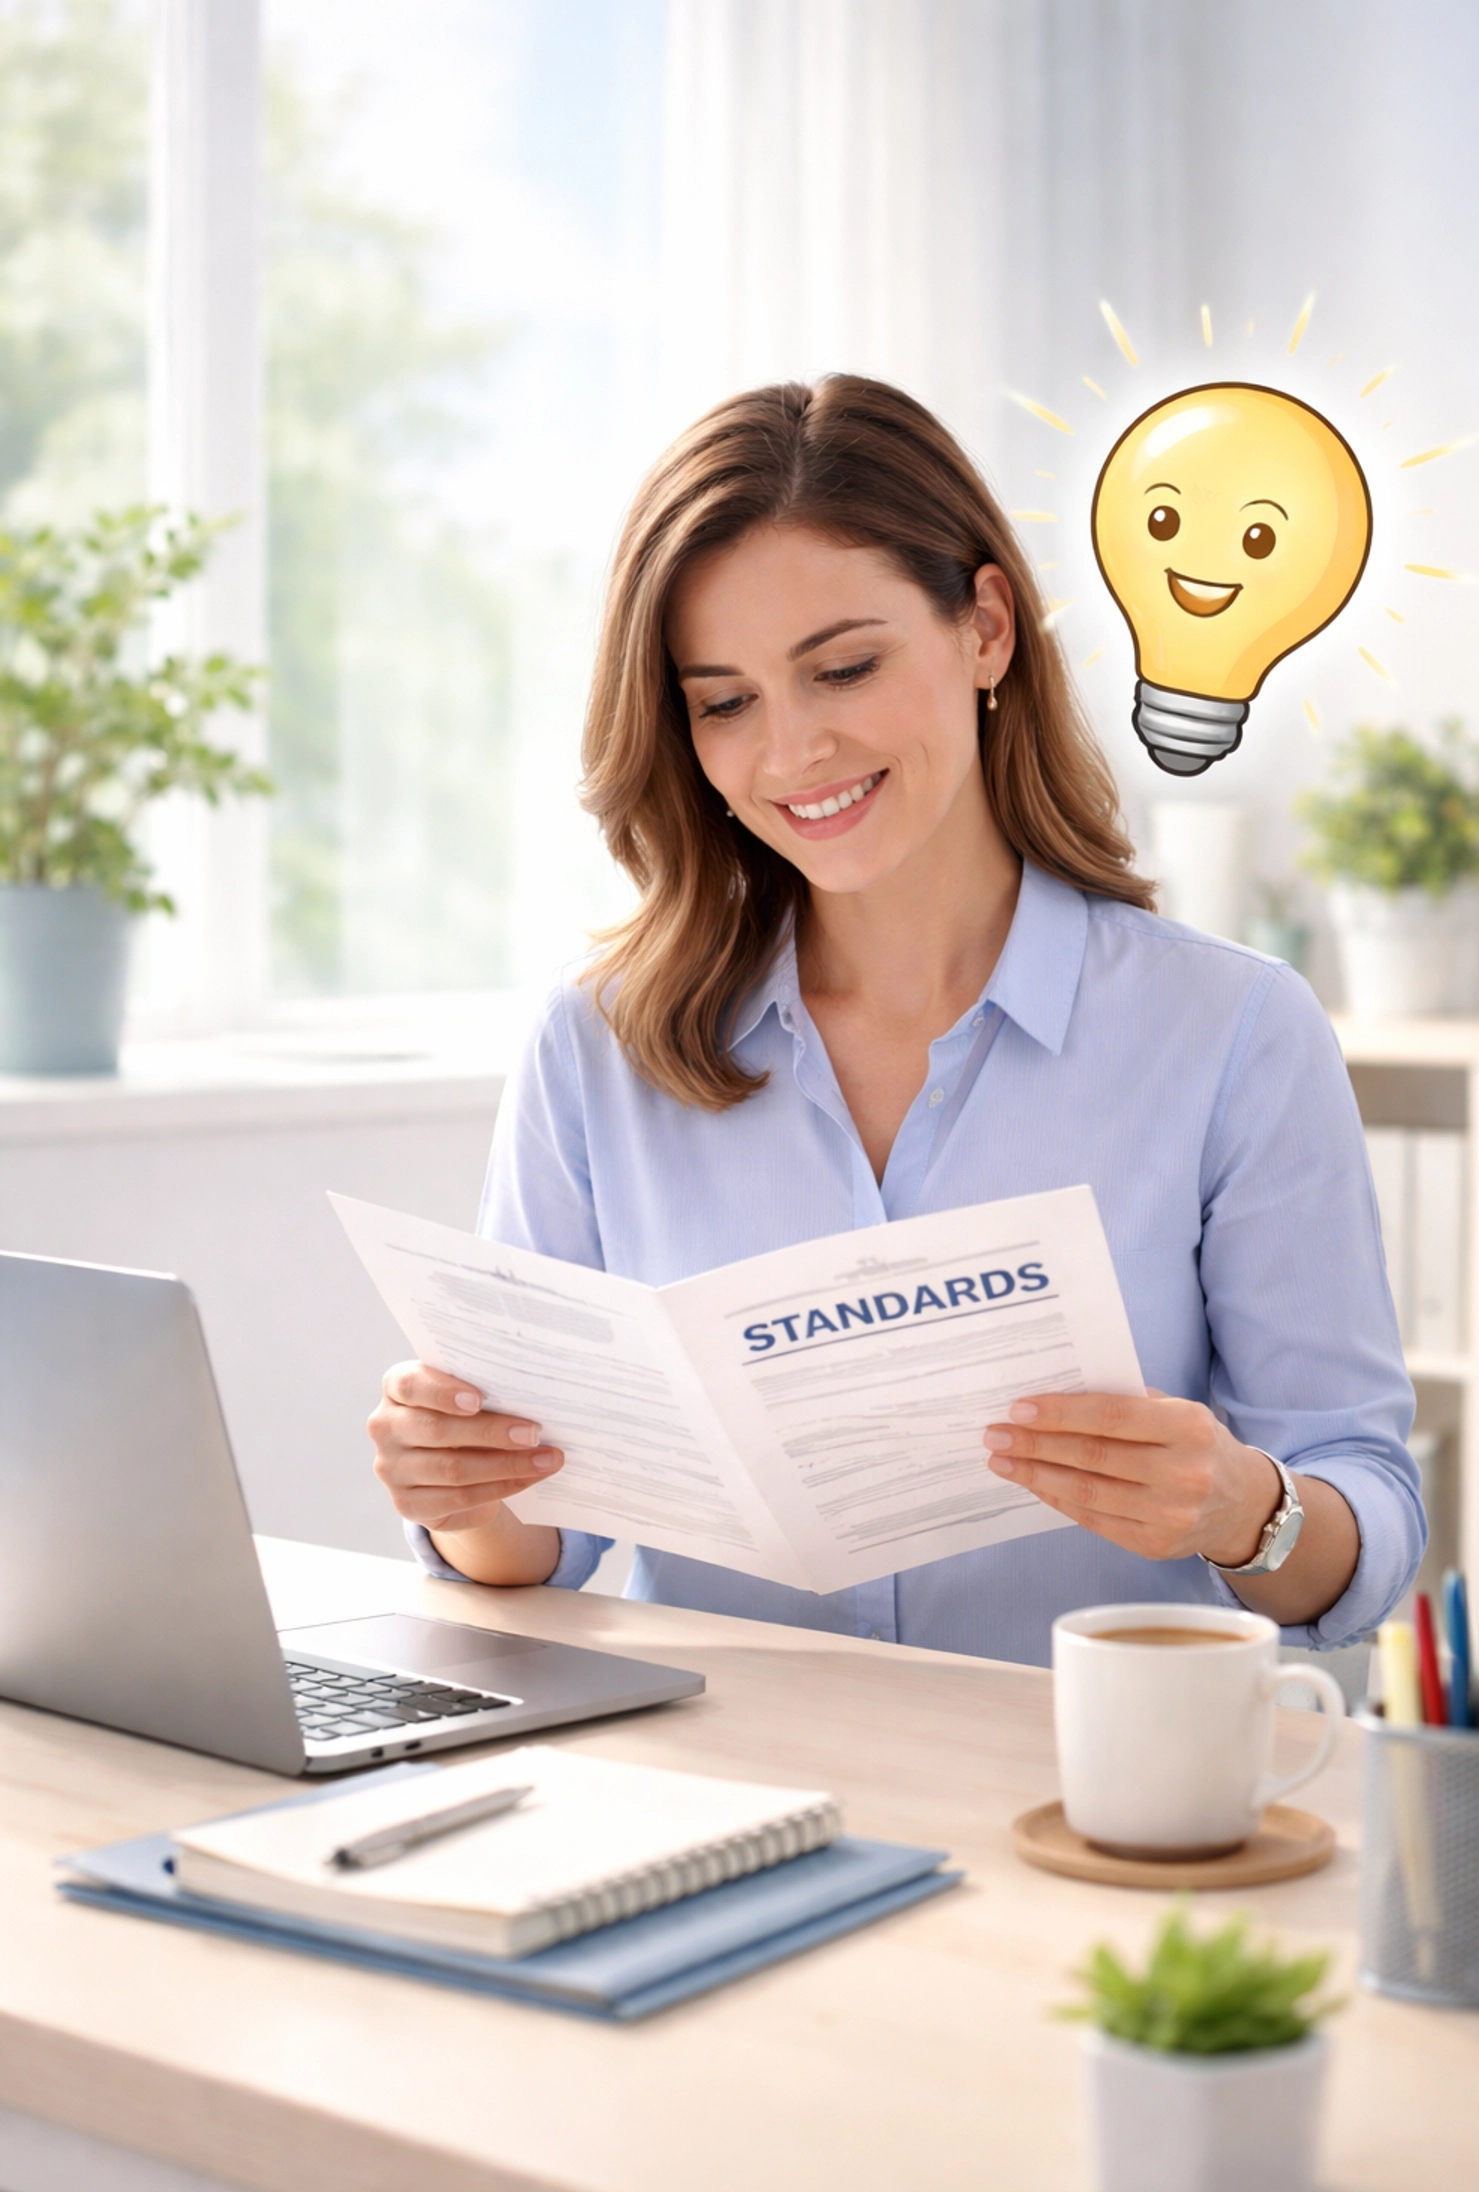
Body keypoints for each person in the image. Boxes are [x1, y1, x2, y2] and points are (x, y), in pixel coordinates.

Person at [368, 375, 1423, 1666]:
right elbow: (547, 1548)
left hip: (1090, 1797)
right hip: (717, 1794)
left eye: (845, 668)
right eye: (724, 700)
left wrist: (1239, 1509)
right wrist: (470, 1495)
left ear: (986, 630)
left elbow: (1362, 1510)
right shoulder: (599, 1048)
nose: (792, 750)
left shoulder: (1233, 1033)